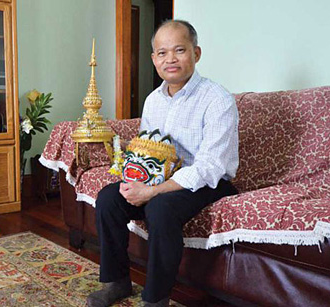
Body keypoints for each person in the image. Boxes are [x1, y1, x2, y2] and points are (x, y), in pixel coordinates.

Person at [87, 19, 239, 307]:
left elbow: (210, 166)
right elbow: (148, 151)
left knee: (159, 207)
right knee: (109, 198)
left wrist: (154, 191)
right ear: (153, 58)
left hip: (209, 182)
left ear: (196, 53)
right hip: (162, 176)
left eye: (179, 50)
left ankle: (156, 299)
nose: (170, 59)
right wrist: (136, 180)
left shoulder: (218, 99)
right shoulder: (153, 100)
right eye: (162, 52)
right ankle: (116, 282)